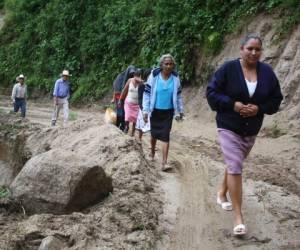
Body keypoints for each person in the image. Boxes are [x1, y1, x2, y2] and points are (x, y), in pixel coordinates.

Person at [206, 34, 283, 236]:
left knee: (235, 163)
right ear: (241, 49)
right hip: (228, 125)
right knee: (235, 166)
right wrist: (233, 104)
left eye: (258, 49)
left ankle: (222, 193)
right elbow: (212, 92)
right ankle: (239, 218)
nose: (254, 53)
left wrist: (259, 108)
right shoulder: (228, 69)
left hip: (251, 129)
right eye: (250, 48)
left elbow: (276, 99)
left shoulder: (267, 73)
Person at [143, 54, 184, 171]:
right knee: (154, 134)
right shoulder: (154, 76)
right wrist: (145, 111)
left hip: (168, 112)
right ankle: (151, 153)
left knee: (165, 135)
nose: (169, 66)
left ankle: (164, 163)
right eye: (166, 64)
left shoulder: (175, 78)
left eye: (171, 64)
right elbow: (147, 94)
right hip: (155, 110)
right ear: (161, 65)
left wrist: (180, 110)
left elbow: (179, 96)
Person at [111, 65, 136, 131]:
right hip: (118, 97)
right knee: (120, 113)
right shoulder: (120, 77)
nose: (132, 74)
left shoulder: (131, 78)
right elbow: (115, 87)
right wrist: (114, 98)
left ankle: (122, 128)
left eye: (133, 73)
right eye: (131, 73)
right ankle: (117, 128)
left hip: (126, 98)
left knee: (124, 113)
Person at [119, 69, 143, 136]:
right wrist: (120, 99)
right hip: (128, 103)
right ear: (134, 76)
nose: (137, 78)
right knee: (127, 117)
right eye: (136, 76)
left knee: (135, 119)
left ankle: (132, 132)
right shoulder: (130, 81)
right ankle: (127, 126)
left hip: (137, 105)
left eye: (139, 76)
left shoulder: (141, 83)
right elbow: (124, 90)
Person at [135, 69, 152, 141]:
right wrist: (142, 108)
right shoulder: (141, 85)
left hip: (151, 108)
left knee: (152, 127)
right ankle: (139, 138)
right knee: (141, 126)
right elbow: (139, 98)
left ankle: (152, 144)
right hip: (143, 108)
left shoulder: (153, 85)